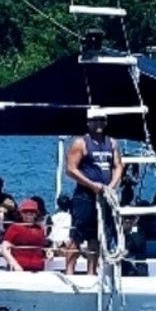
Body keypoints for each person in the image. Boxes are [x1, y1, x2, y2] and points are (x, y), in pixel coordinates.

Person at [65, 107, 122, 275]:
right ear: (89, 123)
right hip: (85, 196)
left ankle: (92, 272)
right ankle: (69, 271)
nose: (99, 124)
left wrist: (112, 185)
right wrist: (91, 184)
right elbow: (71, 169)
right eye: (95, 120)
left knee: (97, 235)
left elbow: (118, 166)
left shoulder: (111, 143)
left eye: (102, 120)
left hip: (104, 195)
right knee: (77, 234)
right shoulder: (81, 143)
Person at [2, 198, 50, 272]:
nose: (28, 215)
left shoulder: (40, 229)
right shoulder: (14, 228)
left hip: (38, 269)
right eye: (25, 212)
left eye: (32, 213)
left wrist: (49, 252)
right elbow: (4, 248)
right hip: (19, 269)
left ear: (36, 214)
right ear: (21, 214)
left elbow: (43, 247)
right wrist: (15, 264)